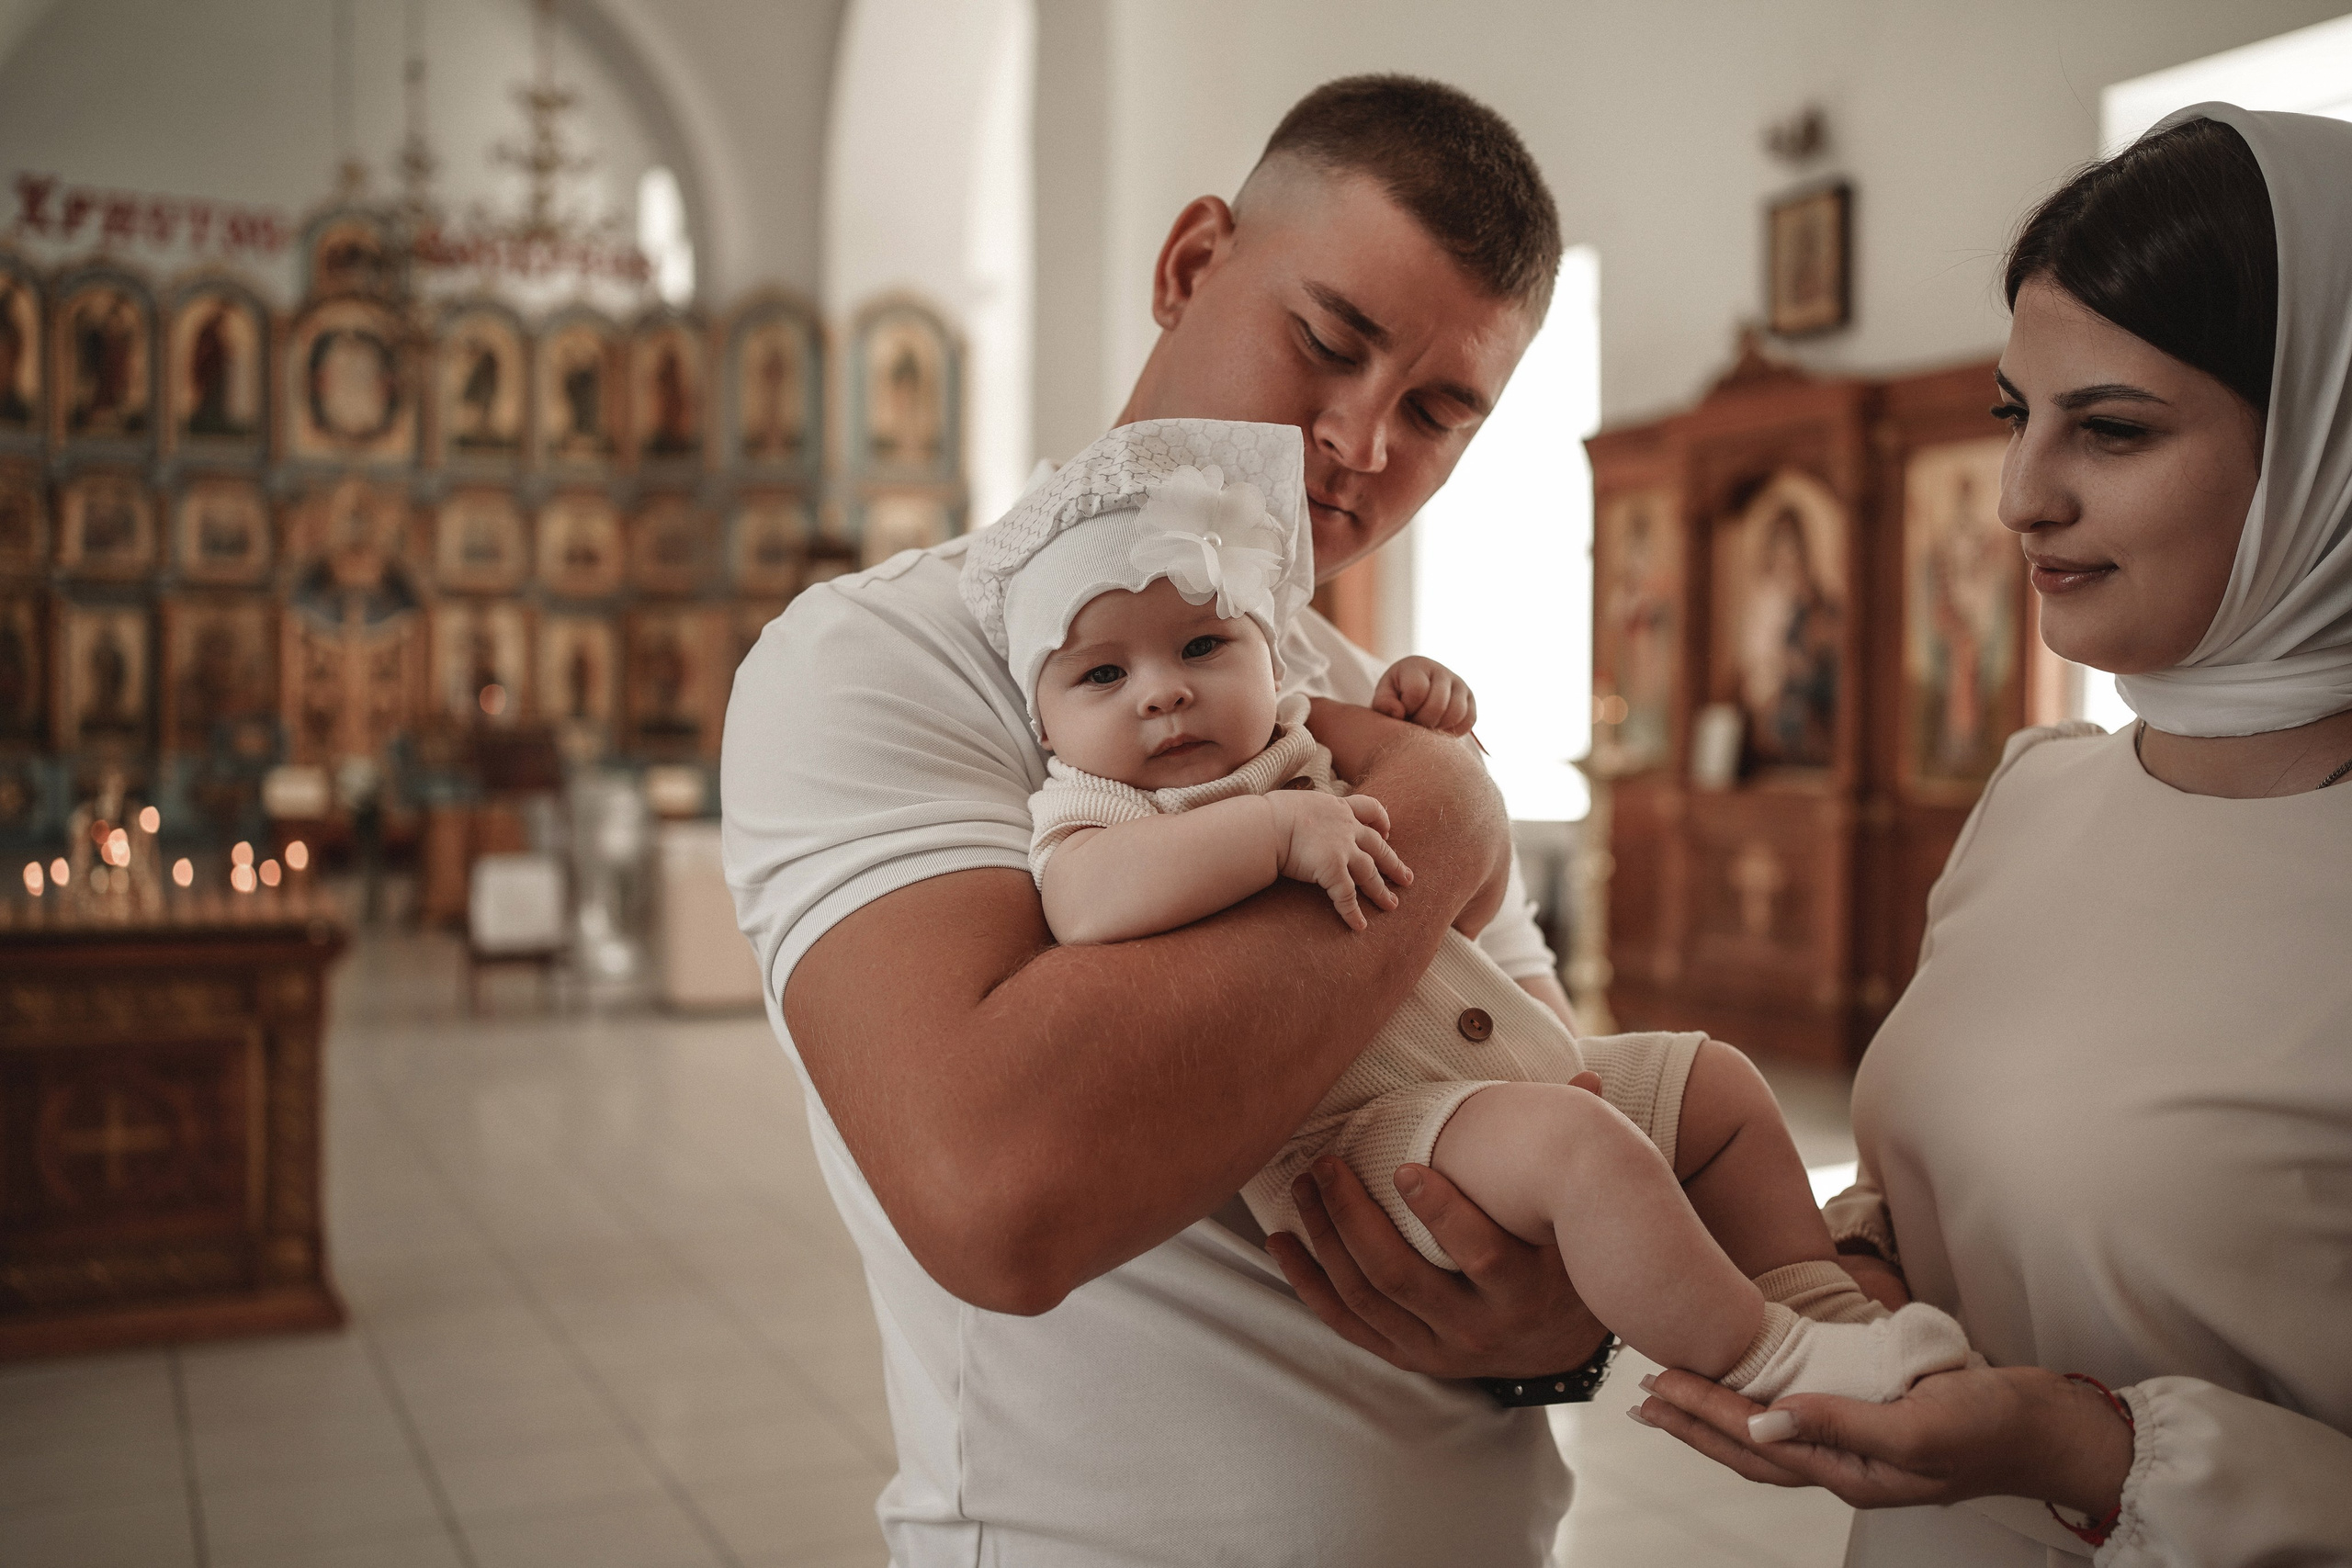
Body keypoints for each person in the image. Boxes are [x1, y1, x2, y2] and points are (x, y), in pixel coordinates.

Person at [727, 76, 1666, 1564]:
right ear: (1188, 267)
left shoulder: (1375, 703)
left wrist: (1559, 1323)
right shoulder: (887, 654)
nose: (1360, 441)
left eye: (1436, 410)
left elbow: (1553, 1112)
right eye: (1329, 342)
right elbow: (1001, 1194)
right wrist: (1431, 814)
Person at [1629, 104, 2352, 1565]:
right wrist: (1841, 1275)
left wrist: (2078, 1445)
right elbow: (1956, 1169)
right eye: (2021, 412)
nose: (2022, 497)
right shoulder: (2038, 792)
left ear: (2325, 446)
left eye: (2116, 427)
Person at [978, 412, 1975, 1406]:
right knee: (1582, 1154)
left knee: (1716, 1084)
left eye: (1202, 646)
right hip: (1373, 1141)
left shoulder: (1310, 750)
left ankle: (1829, 1314)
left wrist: (1427, 739)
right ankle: (1772, 1362)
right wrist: (1273, 836)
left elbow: (1466, 907)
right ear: (1045, 718)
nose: (1163, 694)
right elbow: (1083, 902)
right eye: (1102, 674)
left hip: (1514, 1074)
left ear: (1273, 663)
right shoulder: (1099, 805)